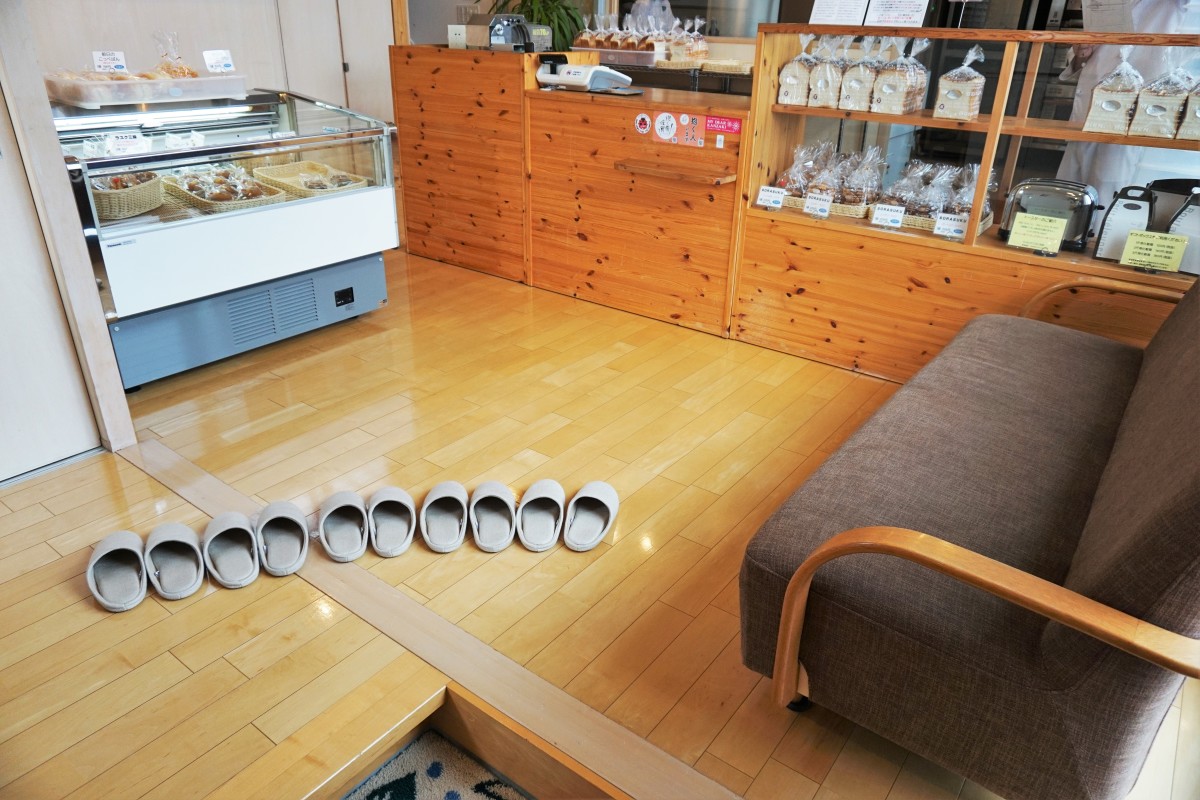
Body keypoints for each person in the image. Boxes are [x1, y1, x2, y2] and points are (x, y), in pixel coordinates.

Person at [1055, 0, 1198, 204]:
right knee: (1068, 191)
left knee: (1109, 194)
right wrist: (1081, 52)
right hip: (1089, 109)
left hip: (1139, 113)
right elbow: (1085, 52)